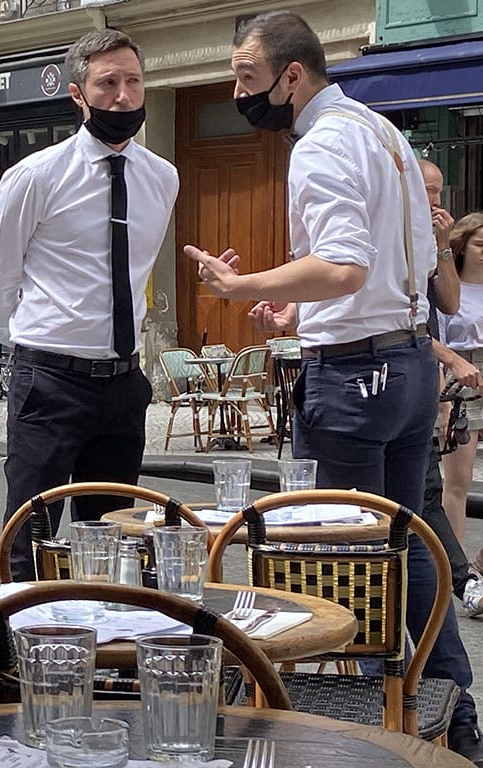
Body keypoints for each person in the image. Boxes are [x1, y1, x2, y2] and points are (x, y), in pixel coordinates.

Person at [183, 11, 483, 763]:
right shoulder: (379, 131)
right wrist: (295, 302)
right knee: (411, 538)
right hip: (408, 361)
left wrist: (243, 281)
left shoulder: (321, 145)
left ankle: (361, 728)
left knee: (345, 552)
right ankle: (452, 707)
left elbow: (346, 265)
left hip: (356, 375)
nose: (237, 90)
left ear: (292, 75)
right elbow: (398, 263)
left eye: (246, 77)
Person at [0, 29, 177, 578]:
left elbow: (134, 273)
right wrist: (31, 348)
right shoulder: (35, 176)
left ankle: (97, 657)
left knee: (113, 542)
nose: (122, 96)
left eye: (133, 82)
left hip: (123, 384)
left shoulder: (162, 178)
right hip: (50, 381)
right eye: (107, 83)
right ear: (78, 95)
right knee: (27, 539)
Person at [416, 160, 478, 609]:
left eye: (439, 191)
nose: (435, 201)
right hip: (442, 372)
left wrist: (440, 244)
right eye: (427, 191)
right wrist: (452, 361)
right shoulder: (390, 237)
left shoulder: (427, 244)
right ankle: (458, 579)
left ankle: (460, 574)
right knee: (442, 486)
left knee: (429, 491)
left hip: (433, 372)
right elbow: (413, 324)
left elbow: (448, 300)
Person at [437, 213, 483, 599]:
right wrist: (442, 406)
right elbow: (437, 340)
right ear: (463, 245)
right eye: (480, 244)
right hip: (462, 375)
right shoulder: (451, 288)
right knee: (459, 481)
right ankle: (461, 571)